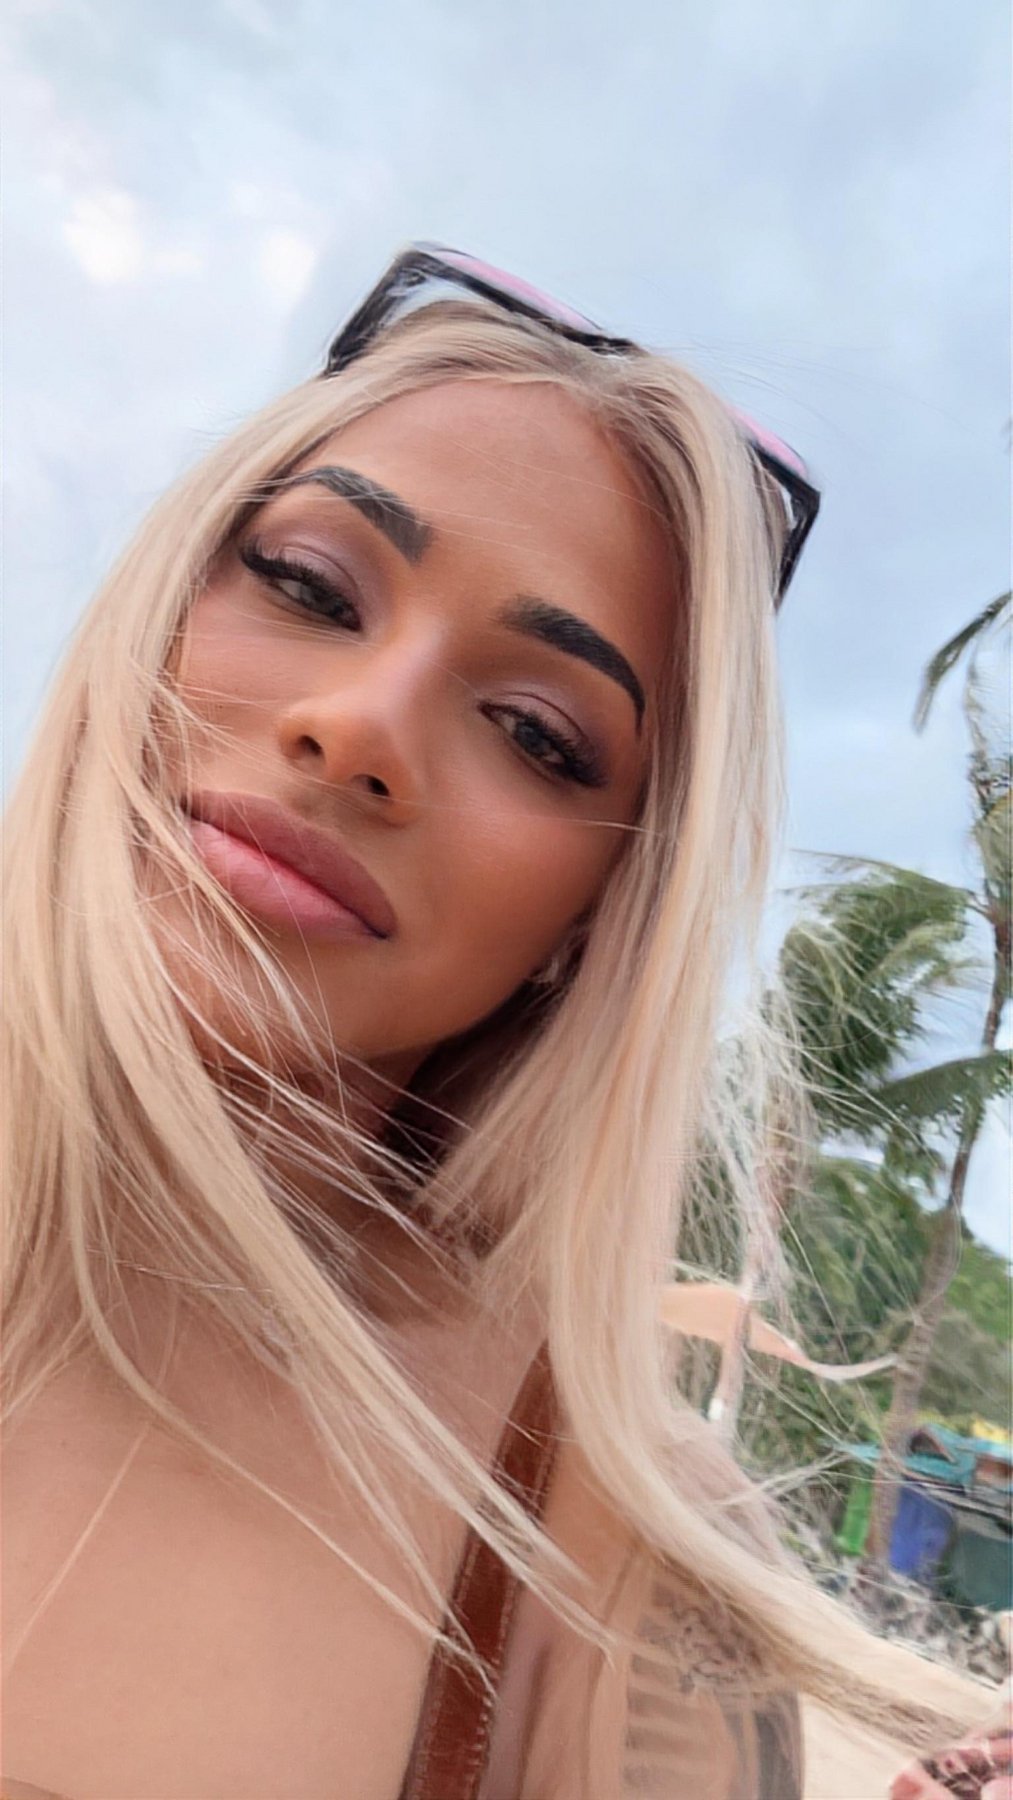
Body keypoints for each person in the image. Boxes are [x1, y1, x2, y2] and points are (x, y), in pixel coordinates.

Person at [1, 244, 987, 1799]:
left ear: (600, 908)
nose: (360, 728)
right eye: (308, 584)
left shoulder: (606, 1584)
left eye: (535, 732)